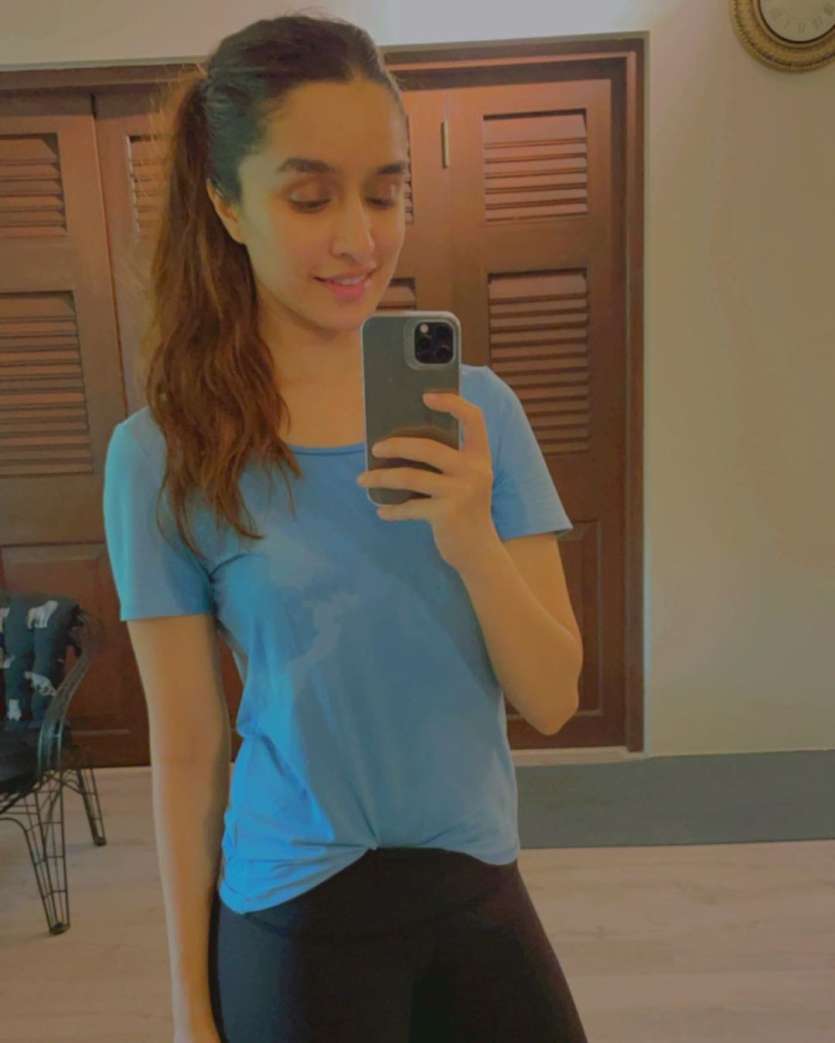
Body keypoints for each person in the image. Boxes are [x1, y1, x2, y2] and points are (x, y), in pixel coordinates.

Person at [103, 12, 588, 1043]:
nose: (359, 238)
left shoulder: (479, 413)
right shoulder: (163, 453)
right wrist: (190, 1005)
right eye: (310, 196)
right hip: (295, 908)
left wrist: (469, 536)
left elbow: (551, 697)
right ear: (227, 204)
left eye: (384, 190)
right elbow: (187, 747)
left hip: (475, 878)